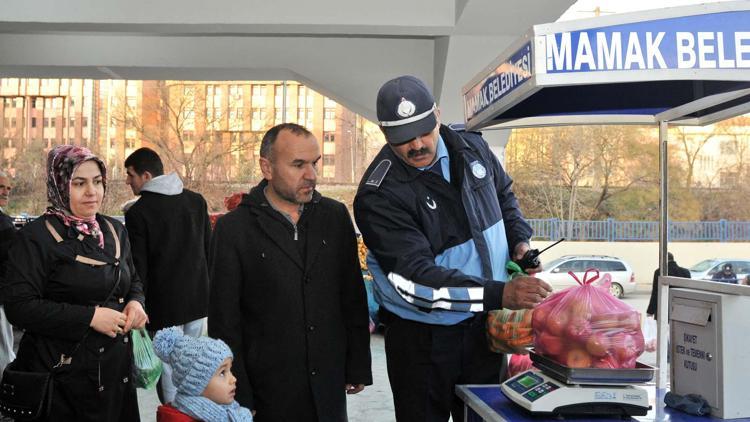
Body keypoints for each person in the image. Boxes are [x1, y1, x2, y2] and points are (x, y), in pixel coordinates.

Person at [353, 75, 552, 421]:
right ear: (385, 136)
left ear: (437, 116)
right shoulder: (379, 195)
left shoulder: (472, 146)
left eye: (424, 131)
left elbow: (505, 197)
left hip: (483, 331)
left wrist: (519, 243)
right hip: (422, 339)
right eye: (403, 139)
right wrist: (501, 293)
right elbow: (417, 280)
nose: (417, 145)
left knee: (484, 416)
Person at [209, 123, 372, 421]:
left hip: (328, 384)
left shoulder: (334, 218)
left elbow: (352, 295)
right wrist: (239, 390)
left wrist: (357, 363)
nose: (311, 175)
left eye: (315, 163)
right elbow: (224, 321)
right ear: (267, 168)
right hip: (269, 390)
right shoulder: (235, 230)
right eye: (298, 164)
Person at [2, 145, 147, 421]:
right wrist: (90, 317)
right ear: (59, 185)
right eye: (79, 183)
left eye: (97, 182)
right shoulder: (37, 238)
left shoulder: (114, 231)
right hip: (63, 379)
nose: (92, 192)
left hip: (115, 374)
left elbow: (132, 279)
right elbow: (19, 307)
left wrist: (136, 302)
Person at [124, 147, 211, 404]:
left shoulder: (139, 212)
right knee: (190, 366)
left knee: (169, 372)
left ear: (147, 175)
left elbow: (139, 267)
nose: (128, 181)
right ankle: (191, 412)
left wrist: (138, 304)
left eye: (131, 175)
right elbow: (209, 249)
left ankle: (173, 416)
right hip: (197, 301)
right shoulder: (196, 201)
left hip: (162, 307)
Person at [152, 327, 253, 422]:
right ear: (195, 385)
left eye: (230, 370)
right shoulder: (179, 419)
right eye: (222, 373)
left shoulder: (228, 412)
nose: (233, 379)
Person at [0, 172, 17, 374]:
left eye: (9, 188)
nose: (6, 192)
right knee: (4, 353)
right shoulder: (3, 223)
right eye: (2, 187)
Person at [646, 252, 691, 318]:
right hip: (681, 310)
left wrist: (650, 311)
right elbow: (689, 293)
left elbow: (655, 293)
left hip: (663, 310)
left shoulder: (659, 272)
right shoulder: (686, 272)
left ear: (662, 260)